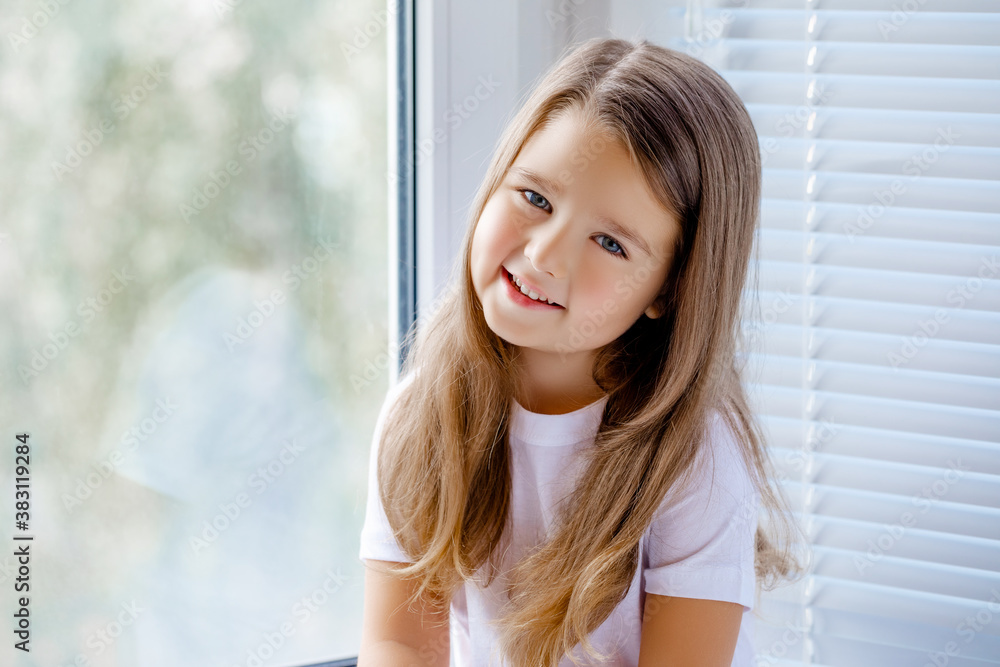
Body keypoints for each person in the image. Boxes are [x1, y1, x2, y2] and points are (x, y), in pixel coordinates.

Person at [357, 37, 797, 667]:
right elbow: (398, 642)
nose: (544, 254)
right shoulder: (418, 413)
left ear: (671, 289)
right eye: (535, 198)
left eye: (610, 243)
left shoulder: (696, 459)